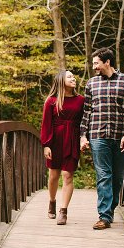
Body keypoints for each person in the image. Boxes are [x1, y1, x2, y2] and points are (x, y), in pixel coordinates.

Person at [79, 47, 124, 230]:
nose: (94, 66)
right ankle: (104, 216)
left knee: (118, 177)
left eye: (96, 63)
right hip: (97, 135)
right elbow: (87, 112)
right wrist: (82, 135)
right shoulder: (91, 83)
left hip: (120, 135)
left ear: (107, 62)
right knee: (104, 175)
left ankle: (109, 209)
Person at [40, 70, 84, 226]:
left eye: (73, 76)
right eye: (69, 77)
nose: (73, 78)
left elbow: (85, 123)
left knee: (68, 175)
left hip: (72, 139)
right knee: (54, 175)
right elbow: (46, 124)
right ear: (61, 81)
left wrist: (83, 139)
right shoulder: (51, 101)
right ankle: (52, 201)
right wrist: (46, 145)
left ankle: (63, 211)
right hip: (55, 141)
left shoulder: (81, 100)